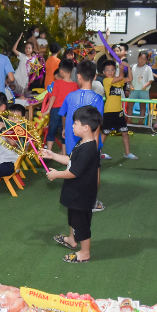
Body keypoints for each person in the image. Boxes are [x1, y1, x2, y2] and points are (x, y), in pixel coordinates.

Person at [41, 106, 101, 264]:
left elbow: (73, 172)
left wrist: (56, 174)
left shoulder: (88, 148)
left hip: (82, 195)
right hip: (76, 192)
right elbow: (71, 160)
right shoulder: (83, 142)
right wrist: (53, 155)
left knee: (81, 224)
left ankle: (85, 253)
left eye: (75, 123)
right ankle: (72, 240)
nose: (72, 126)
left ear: (86, 127)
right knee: (73, 219)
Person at [59, 60, 104, 154]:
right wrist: (95, 148)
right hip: (89, 144)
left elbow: (64, 115)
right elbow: (97, 125)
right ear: (95, 77)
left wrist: (64, 129)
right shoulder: (98, 99)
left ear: (78, 76)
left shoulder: (70, 96)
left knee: (72, 162)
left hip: (71, 140)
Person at [101, 61, 136, 160]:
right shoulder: (106, 81)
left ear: (114, 71)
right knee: (105, 133)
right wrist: (121, 68)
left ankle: (128, 153)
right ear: (103, 72)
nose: (110, 72)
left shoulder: (118, 81)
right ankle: (98, 153)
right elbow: (121, 76)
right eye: (107, 70)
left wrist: (128, 66)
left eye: (112, 70)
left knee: (125, 132)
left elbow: (130, 78)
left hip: (119, 112)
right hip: (108, 112)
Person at [43, 60, 78, 152]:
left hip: (56, 110)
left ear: (61, 71)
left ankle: (49, 152)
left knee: (51, 131)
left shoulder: (57, 83)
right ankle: (64, 154)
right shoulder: (75, 85)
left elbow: (53, 96)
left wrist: (48, 109)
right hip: (68, 112)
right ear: (71, 71)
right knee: (65, 132)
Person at [0, 106, 23, 181]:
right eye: (10, 117)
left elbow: (13, 143)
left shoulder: (23, 133)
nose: (12, 120)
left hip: (10, 164)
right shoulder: (6, 131)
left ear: (23, 119)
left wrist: (3, 129)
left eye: (15, 118)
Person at [128, 51, 154, 124]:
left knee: (142, 105)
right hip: (134, 89)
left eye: (144, 59)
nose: (142, 61)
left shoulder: (148, 68)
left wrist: (145, 85)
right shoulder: (133, 66)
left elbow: (151, 79)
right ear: (138, 58)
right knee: (130, 105)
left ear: (147, 60)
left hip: (144, 90)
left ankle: (140, 122)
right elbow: (130, 77)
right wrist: (130, 85)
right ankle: (129, 120)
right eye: (140, 58)